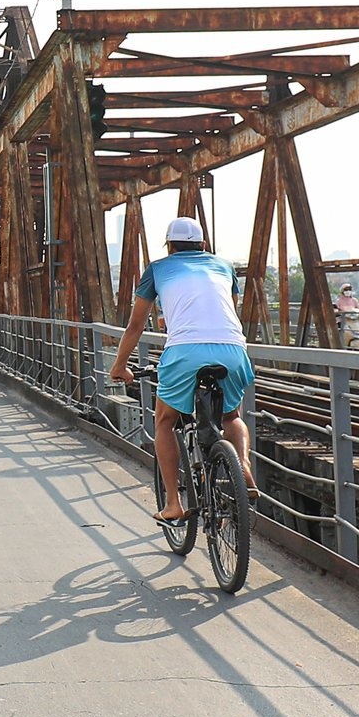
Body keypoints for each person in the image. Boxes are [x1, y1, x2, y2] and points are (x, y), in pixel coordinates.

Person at [109, 216, 257, 525]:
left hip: (184, 351)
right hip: (232, 348)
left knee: (165, 421)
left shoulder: (159, 269)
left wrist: (120, 365)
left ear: (170, 247)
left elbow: (136, 325)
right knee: (231, 417)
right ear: (203, 245)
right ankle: (242, 463)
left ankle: (174, 504)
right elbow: (227, 308)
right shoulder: (224, 266)